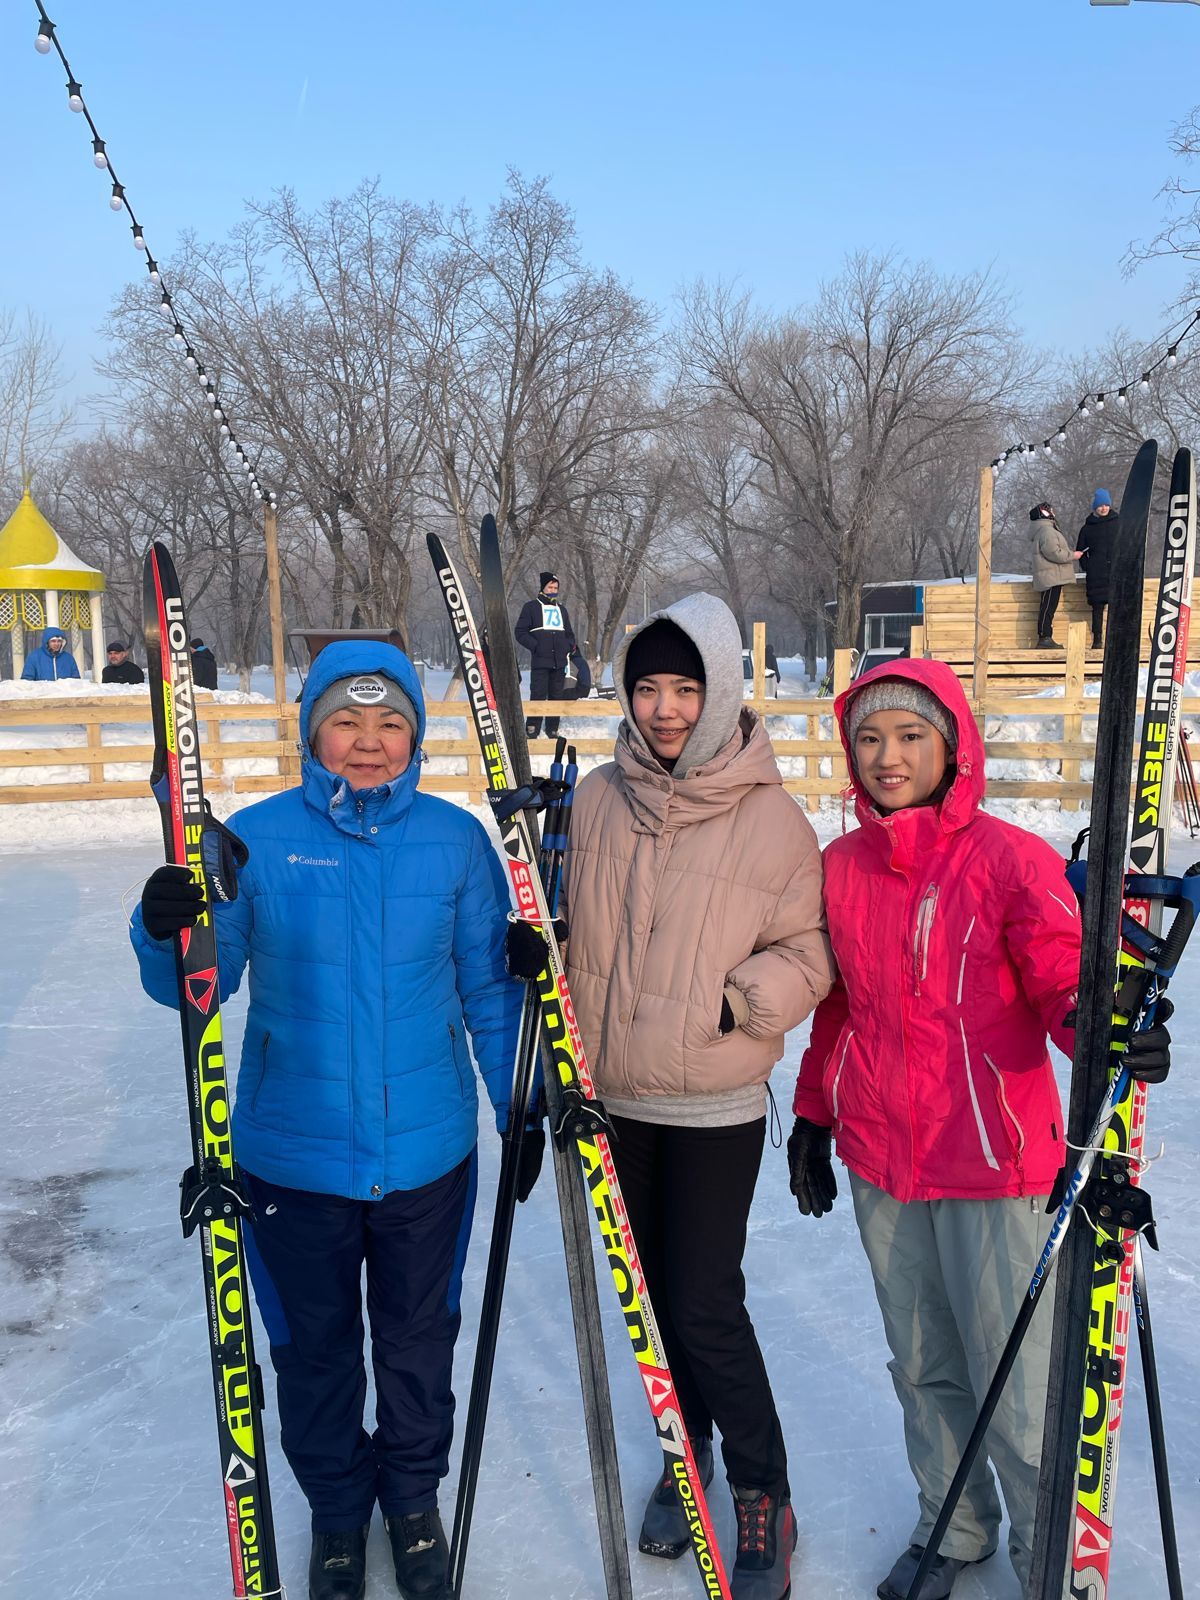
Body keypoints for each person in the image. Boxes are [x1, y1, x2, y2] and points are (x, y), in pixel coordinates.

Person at [130, 641, 539, 1600]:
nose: (367, 741)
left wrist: (517, 1107)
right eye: (346, 722)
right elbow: (201, 987)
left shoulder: (455, 842)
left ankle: (412, 1501)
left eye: (390, 722)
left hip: (427, 1155)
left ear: (415, 736)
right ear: (312, 734)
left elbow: (488, 990)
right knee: (312, 1353)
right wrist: (163, 928)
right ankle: (340, 1514)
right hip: (290, 1157)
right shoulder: (255, 841)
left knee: (416, 1345)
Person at [787, 660, 1172, 1600]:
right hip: (882, 1156)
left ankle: (1050, 1551)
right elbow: (838, 1007)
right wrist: (811, 1116)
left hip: (997, 1163)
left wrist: (1102, 1026)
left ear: (952, 746)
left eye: (910, 736)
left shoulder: (1010, 860)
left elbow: (1061, 975)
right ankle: (952, 1525)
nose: (887, 757)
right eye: (869, 738)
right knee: (923, 1363)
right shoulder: (843, 867)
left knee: (1018, 1373)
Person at [558, 594, 835, 1600]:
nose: (666, 708)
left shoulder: (773, 818)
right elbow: (570, 923)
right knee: (650, 1299)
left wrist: (734, 1002)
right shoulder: (596, 797)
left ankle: (765, 1489)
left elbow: (810, 954)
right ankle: (689, 1451)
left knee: (705, 1301)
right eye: (648, 687)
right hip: (614, 1100)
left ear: (718, 692)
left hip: (713, 1103)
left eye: (686, 687)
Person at [515, 571, 575, 738]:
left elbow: (569, 634)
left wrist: (569, 646)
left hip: (559, 662)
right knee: (538, 694)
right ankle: (532, 728)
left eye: (556, 588)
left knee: (557, 695)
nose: (553, 590)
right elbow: (520, 632)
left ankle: (552, 728)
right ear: (543, 588)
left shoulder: (562, 610)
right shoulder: (531, 607)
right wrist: (536, 646)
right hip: (541, 661)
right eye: (550, 587)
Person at [1028, 502, 1077, 648]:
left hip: (1049, 575)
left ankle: (1045, 636)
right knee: (1048, 607)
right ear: (1046, 513)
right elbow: (1054, 553)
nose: (1054, 513)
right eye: (1052, 511)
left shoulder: (1041, 530)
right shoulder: (1047, 531)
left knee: (1047, 606)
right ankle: (1045, 637)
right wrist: (1072, 555)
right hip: (1051, 576)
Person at [1076, 489, 1117, 650]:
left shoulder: (1118, 523)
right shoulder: (1087, 528)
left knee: (1116, 607)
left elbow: (1127, 546)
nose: (1104, 508)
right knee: (1097, 608)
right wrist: (1089, 567)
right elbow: (1080, 551)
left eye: (1106, 505)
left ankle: (1114, 639)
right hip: (1096, 575)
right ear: (1095, 507)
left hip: (1116, 573)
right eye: (1100, 505)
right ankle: (1097, 639)